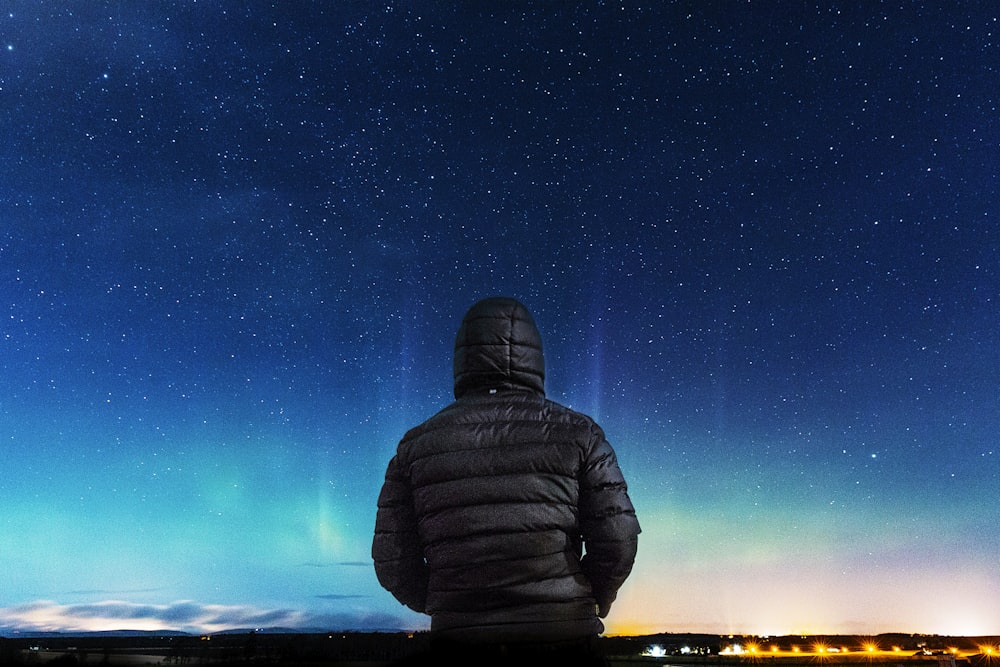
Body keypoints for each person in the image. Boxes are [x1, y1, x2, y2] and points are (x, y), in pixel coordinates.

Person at [372, 296, 640, 666]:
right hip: (566, 646)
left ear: (463, 358)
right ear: (535, 356)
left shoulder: (416, 446)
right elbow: (618, 539)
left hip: (460, 652)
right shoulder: (581, 433)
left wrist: (449, 607)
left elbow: (393, 560)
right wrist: (585, 599)